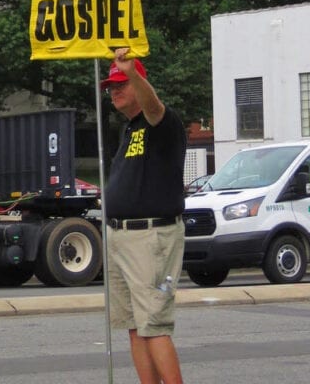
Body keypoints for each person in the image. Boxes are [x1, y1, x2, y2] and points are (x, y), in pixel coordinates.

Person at [102, 47, 187, 384]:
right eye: (111, 86)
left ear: (139, 84)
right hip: (121, 237)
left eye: (121, 83)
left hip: (151, 237)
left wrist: (133, 73)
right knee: (135, 328)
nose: (114, 91)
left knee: (153, 326)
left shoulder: (162, 123)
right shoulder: (128, 130)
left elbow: (155, 108)